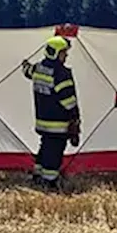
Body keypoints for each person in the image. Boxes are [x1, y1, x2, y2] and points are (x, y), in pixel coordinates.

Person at [20, 35, 80, 191]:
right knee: (54, 153)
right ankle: (50, 181)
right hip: (58, 123)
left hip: (42, 121)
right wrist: (75, 118)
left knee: (45, 148)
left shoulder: (39, 68)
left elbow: (28, 72)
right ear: (56, 53)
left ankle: (38, 176)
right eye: (64, 52)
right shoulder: (61, 74)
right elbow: (68, 101)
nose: (66, 55)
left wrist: (24, 65)